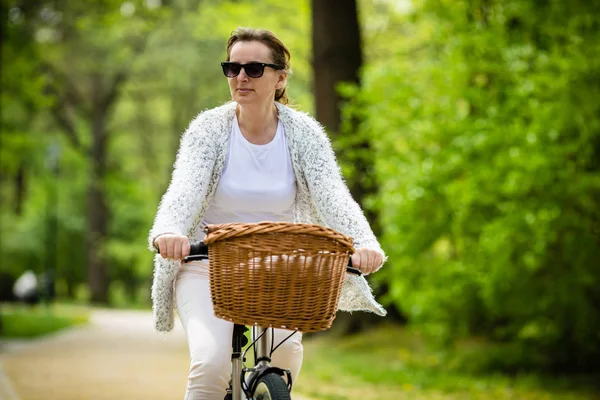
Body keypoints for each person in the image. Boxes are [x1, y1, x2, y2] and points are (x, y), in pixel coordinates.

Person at [148, 27, 386, 400]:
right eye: (233, 68)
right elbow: (184, 188)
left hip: (279, 270)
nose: (241, 77)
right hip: (206, 264)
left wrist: (365, 242)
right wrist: (169, 230)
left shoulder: (304, 134)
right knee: (211, 365)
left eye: (255, 69)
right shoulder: (208, 130)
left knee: (286, 355)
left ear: (280, 77)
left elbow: (333, 195)